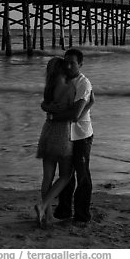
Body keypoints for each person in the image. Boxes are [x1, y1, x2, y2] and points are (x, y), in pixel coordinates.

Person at [34, 57, 93, 229]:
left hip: (47, 131)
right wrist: (90, 104)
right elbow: (74, 114)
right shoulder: (69, 88)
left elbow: (45, 105)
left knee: (47, 177)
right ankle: (43, 206)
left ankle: (48, 216)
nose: (68, 67)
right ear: (62, 69)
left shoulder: (49, 88)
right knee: (66, 175)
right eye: (66, 65)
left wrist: (48, 110)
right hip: (62, 133)